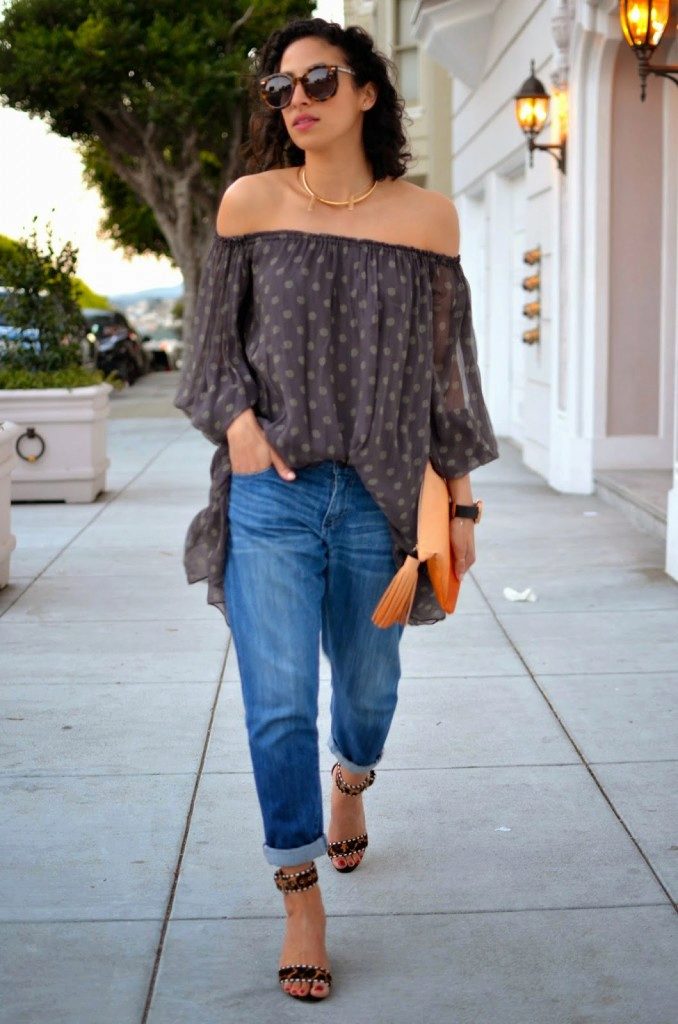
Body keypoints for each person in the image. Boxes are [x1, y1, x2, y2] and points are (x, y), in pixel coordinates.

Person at [175, 16, 498, 1003]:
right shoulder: (251, 202)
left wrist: (463, 502)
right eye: (281, 88)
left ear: (366, 91)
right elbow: (210, 346)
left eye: (319, 80)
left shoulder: (428, 219)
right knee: (278, 703)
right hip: (271, 494)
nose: (297, 100)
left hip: (382, 497)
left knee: (366, 691)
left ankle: (351, 782)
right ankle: (301, 898)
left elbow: (448, 376)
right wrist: (236, 424)